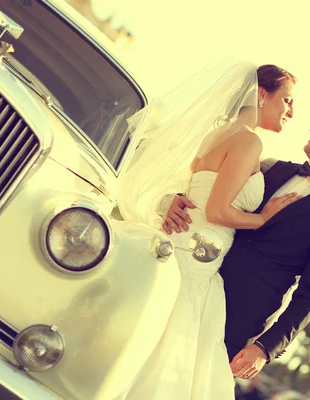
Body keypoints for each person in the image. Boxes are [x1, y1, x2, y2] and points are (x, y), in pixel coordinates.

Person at [117, 62, 298, 400]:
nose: (292, 110)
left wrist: (168, 199)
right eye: (287, 100)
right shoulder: (248, 143)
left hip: (182, 242)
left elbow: (195, 191)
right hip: (198, 258)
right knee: (171, 355)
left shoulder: (214, 134)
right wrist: (263, 217)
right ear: (261, 95)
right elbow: (216, 211)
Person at [165, 101, 310, 380]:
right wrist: (173, 200)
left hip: (236, 319)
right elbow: (208, 193)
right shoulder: (271, 168)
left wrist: (265, 349)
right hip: (189, 281)